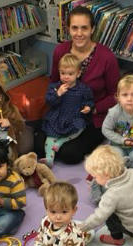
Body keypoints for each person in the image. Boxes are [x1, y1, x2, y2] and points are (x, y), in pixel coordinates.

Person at [35, 6, 120, 164]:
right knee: (38, 146)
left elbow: (115, 95)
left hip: (91, 117)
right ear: (68, 29)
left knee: (70, 154)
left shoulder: (106, 57)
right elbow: (53, 81)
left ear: (92, 29)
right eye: (74, 28)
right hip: (61, 112)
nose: (79, 33)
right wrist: (56, 96)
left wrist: (94, 108)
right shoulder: (61, 50)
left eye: (84, 28)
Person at [80, 145, 133, 246]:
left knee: (108, 215)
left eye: (95, 177)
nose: (94, 180)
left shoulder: (111, 195)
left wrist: (81, 227)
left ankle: (117, 239)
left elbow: (99, 217)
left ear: (106, 174)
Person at [42, 53, 94, 167]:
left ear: (78, 73)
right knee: (50, 137)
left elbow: (89, 100)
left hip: (74, 117)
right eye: (63, 73)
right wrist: (58, 94)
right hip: (58, 117)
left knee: (79, 129)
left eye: (70, 74)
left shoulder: (83, 89)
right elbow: (49, 101)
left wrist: (88, 107)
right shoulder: (55, 87)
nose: (66, 77)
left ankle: (61, 142)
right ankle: (49, 159)